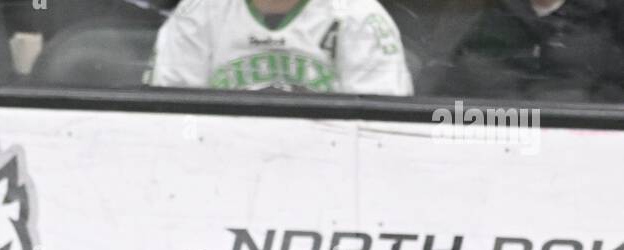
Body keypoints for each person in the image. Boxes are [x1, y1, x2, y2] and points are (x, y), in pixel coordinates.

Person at [147, 0, 413, 95]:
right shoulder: (197, 13)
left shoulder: (360, 16)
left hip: (332, 182)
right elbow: (166, 128)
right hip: (219, 177)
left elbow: (381, 138)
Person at [426, 0, 624, 103]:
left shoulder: (608, 16)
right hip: (495, 132)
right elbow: (449, 85)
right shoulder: (488, 15)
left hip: (588, 139)